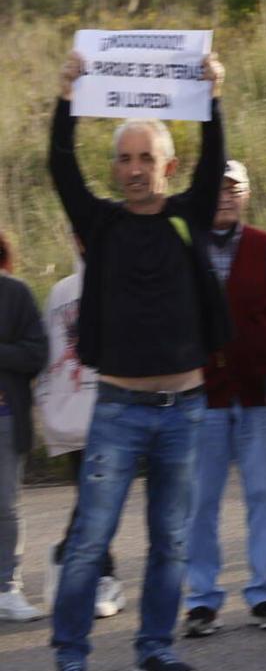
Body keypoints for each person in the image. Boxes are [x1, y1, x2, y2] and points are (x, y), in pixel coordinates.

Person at [46, 48, 229, 671]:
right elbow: (60, 165)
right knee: (91, 539)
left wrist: (212, 96)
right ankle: (71, 656)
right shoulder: (100, 222)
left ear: (166, 166)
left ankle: (154, 648)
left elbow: (214, 160)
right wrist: (68, 97)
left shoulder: (188, 216)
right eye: (123, 158)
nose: (132, 170)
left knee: (171, 540)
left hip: (184, 410)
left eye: (144, 158)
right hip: (118, 408)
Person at [182, 161, 266, 638]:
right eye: (218, 188)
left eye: (235, 189)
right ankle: (202, 600)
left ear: (247, 195)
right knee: (200, 502)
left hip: (258, 393)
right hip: (201, 396)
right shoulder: (183, 249)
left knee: (264, 497)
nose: (225, 196)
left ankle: (265, 594)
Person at [32, 244, 121, 620]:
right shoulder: (66, 290)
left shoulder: (116, 282)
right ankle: (91, 571)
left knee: (98, 497)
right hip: (83, 409)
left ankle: (92, 570)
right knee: (97, 498)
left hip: (101, 406)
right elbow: (49, 350)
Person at [0, 230, 51, 623]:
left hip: (5, 419)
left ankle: (6, 588)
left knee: (5, 507)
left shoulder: (15, 294)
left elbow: (37, 352)